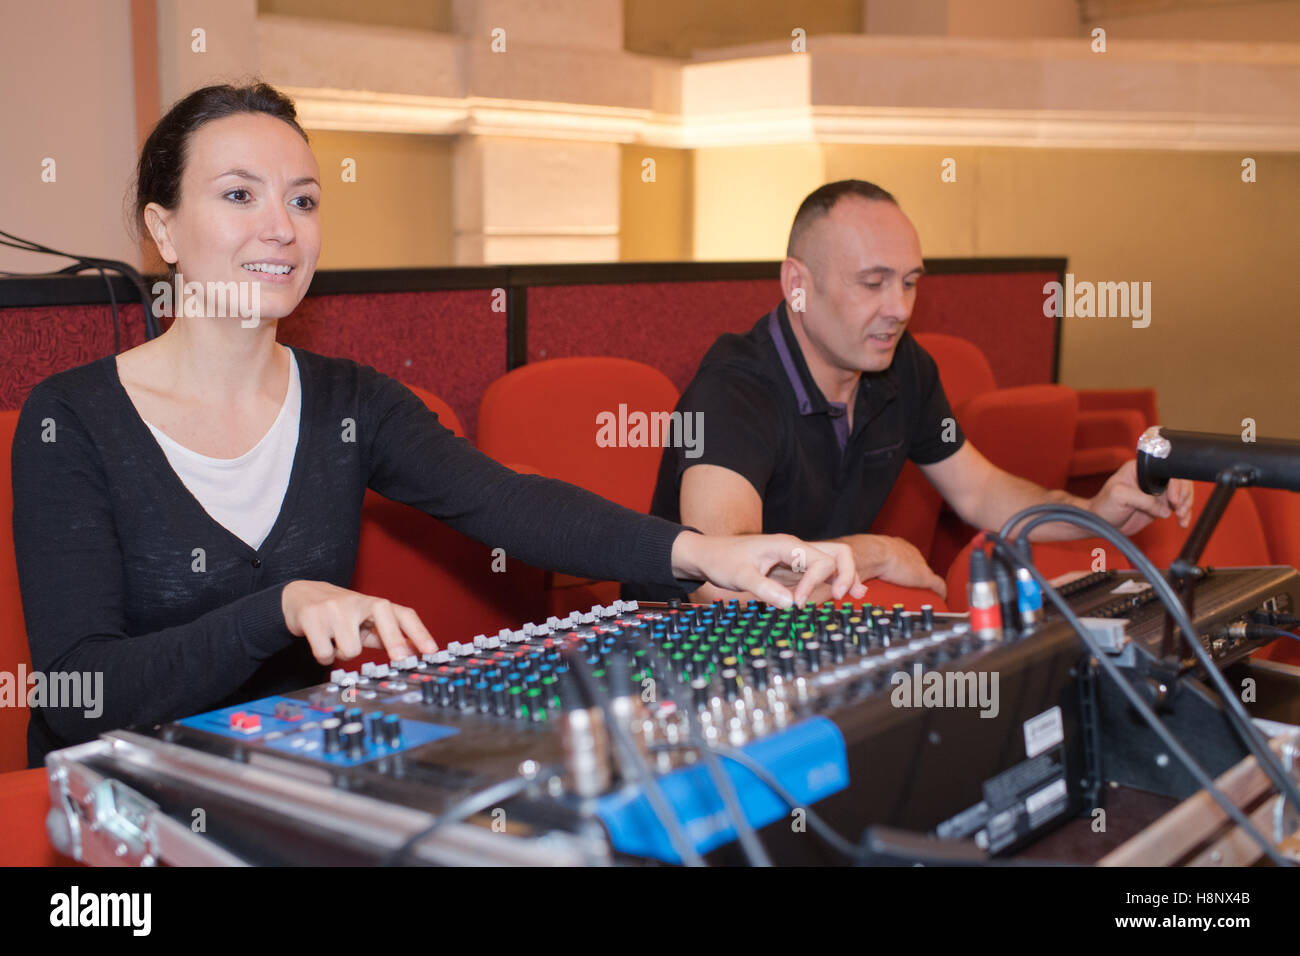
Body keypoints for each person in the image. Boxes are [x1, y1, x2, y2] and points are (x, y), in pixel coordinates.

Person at [10, 83, 863, 766]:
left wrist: (705, 554)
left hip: (290, 769)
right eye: (240, 195)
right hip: (121, 787)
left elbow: (512, 505)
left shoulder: (350, 402)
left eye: (304, 202)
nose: (281, 228)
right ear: (163, 228)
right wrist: (280, 608)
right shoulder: (73, 419)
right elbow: (84, 689)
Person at [626, 179, 1193, 606]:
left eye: (910, 282)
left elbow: (982, 493)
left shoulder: (903, 367)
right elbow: (723, 587)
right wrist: (875, 552)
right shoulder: (732, 389)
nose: (898, 308)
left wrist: (1096, 510)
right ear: (799, 287)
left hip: (816, 627)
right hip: (683, 661)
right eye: (873, 283)